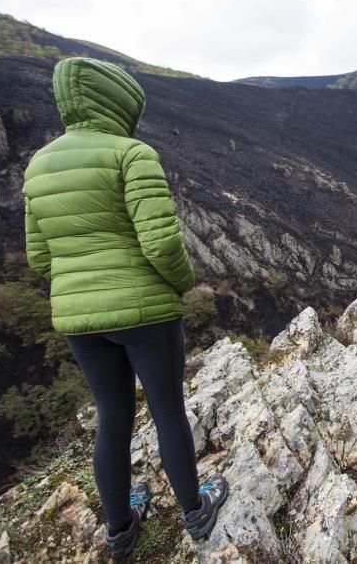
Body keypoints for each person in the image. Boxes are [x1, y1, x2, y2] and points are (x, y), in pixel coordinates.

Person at [22, 56, 229, 559]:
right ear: (117, 102)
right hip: (146, 314)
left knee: (113, 417)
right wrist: (181, 285)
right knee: (166, 411)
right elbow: (160, 243)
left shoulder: (38, 165)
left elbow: (39, 257)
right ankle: (195, 511)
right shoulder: (131, 154)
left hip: (79, 320)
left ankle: (120, 528)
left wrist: (79, 289)